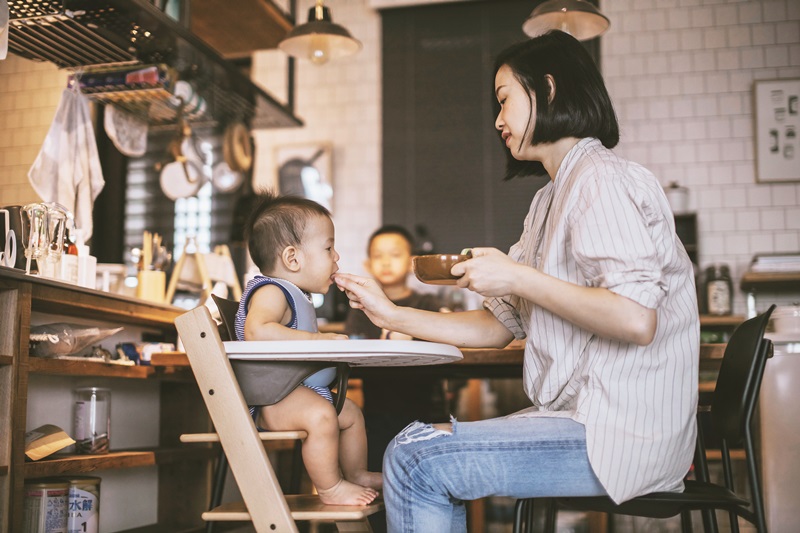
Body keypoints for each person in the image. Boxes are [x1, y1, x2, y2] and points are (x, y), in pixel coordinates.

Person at [334, 30, 699, 532]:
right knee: (412, 446)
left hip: (620, 435)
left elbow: (636, 319)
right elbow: (496, 326)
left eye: (504, 100)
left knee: (415, 458)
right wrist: (393, 315)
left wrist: (518, 276)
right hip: (583, 423)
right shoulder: (549, 200)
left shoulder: (601, 179)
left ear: (547, 91)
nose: (497, 120)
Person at [236, 191, 381, 506]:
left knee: (351, 413)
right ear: (292, 258)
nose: (337, 257)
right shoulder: (272, 291)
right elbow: (257, 330)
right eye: (329, 248)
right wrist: (320, 341)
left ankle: (356, 473)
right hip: (272, 399)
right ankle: (330, 487)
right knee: (322, 417)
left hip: (294, 391)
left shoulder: (296, 294)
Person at [344, 225, 449, 473]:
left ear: (412, 262)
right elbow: (356, 347)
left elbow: (444, 343)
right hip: (377, 412)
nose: (386, 262)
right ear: (368, 264)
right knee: (380, 471)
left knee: (431, 473)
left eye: (394, 254)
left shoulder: (427, 304)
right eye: (378, 256)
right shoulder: (360, 309)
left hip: (428, 411)